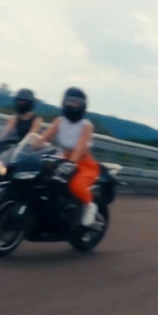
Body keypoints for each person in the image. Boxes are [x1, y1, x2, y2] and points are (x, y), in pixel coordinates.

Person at [27, 87, 103, 228]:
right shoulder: (59, 121)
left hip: (83, 163)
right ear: (64, 102)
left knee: (76, 185)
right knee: (41, 178)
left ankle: (89, 206)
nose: (72, 106)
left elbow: (80, 147)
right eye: (69, 102)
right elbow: (45, 136)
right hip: (62, 158)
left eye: (76, 103)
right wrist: (30, 147)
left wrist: (70, 163)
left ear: (82, 105)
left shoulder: (86, 125)